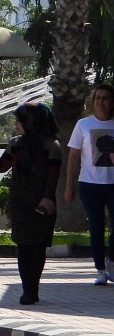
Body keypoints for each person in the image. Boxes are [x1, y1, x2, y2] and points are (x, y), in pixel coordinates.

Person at [0, 102, 61, 305]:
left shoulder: (52, 146)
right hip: (19, 200)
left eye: (20, 120)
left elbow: (53, 176)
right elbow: (2, 167)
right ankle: (28, 290)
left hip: (42, 201)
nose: (16, 124)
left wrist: (47, 198)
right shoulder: (16, 143)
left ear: (33, 121)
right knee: (24, 246)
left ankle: (33, 288)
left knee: (38, 245)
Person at [63, 83, 114, 285]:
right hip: (90, 184)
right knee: (96, 226)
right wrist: (69, 185)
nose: (101, 101)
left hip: (113, 185)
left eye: (105, 98)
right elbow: (73, 157)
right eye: (97, 97)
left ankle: (112, 262)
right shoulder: (83, 125)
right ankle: (100, 269)